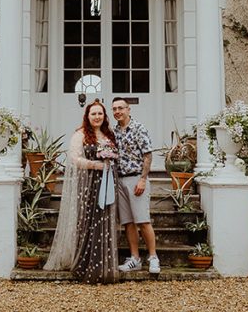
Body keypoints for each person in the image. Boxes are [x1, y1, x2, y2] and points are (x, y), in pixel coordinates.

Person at [42, 99, 120, 283]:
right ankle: (86, 264)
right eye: (93, 113)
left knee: (104, 222)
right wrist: (94, 165)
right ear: (87, 116)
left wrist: (110, 163)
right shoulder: (80, 135)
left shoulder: (108, 135)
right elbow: (74, 159)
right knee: (89, 221)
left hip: (108, 183)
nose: (97, 117)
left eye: (100, 113)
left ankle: (104, 265)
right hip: (89, 184)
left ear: (104, 116)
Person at [111, 97, 160, 275]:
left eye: (121, 108)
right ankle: (135, 258)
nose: (117, 111)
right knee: (128, 222)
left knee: (143, 220)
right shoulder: (114, 131)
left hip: (136, 180)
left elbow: (148, 155)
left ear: (128, 109)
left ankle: (153, 257)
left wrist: (142, 179)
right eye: (114, 109)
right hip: (120, 180)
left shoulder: (139, 128)